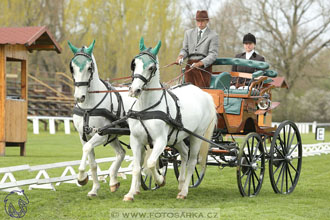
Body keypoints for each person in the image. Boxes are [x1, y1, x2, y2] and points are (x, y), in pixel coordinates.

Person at [176, 10, 219, 88]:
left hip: (204, 68)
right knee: (186, 90)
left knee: (200, 92)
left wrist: (200, 63)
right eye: (198, 21)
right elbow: (185, 49)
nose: (200, 23)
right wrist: (181, 56)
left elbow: (213, 54)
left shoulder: (213, 35)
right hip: (189, 66)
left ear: (207, 21)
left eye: (202, 21)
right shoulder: (188, 33)